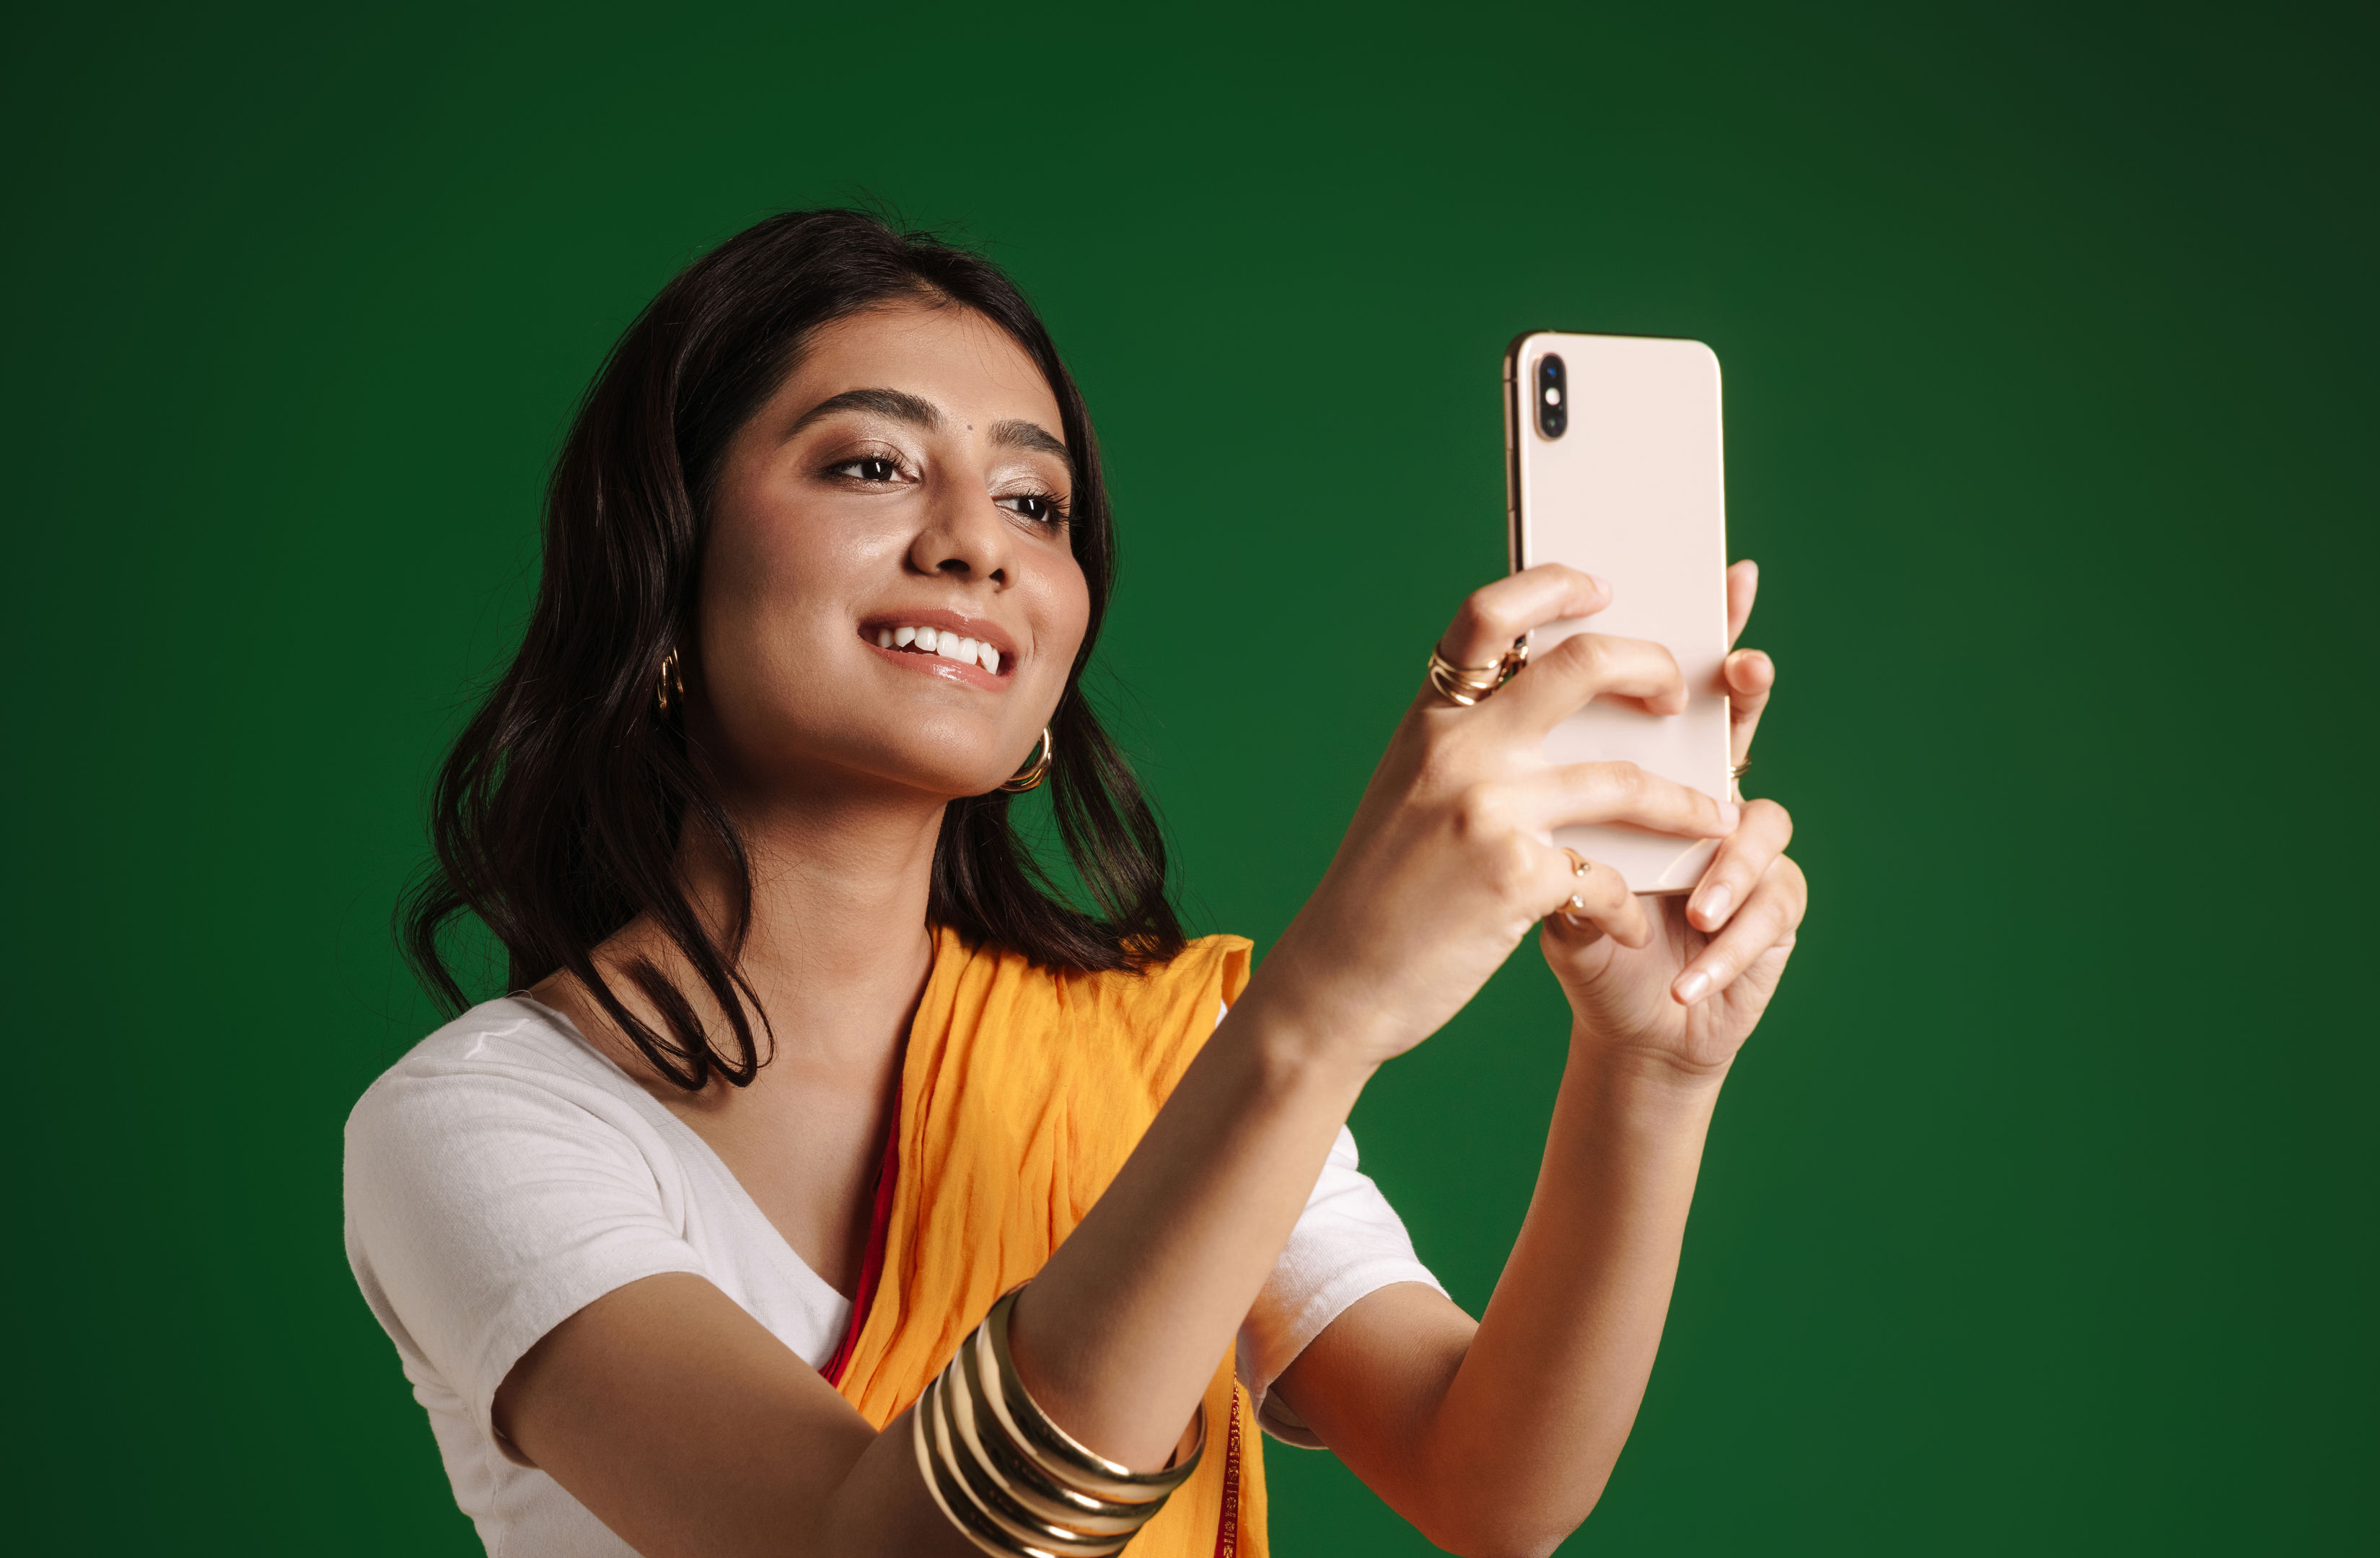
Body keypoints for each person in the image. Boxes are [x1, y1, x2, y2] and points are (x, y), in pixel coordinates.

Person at [343, 208, 1806, 1558]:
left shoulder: (1147, 1060)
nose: (977, 543)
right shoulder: (484, 1123)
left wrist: (1649, 1071)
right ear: (665, 561)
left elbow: (1488, 1480)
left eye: (1037, 505)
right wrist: (1320, 1009)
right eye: (870, 464)